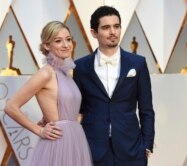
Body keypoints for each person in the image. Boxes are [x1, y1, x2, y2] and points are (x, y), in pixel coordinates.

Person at [73, 6, 155, 166]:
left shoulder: (137, 64)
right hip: (92, 148)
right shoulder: (81, 67)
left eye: (116, 26)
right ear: (94, 32)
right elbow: (78, 109)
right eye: (106, 27)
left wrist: (147, 145)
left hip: (131, 148)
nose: (113, 32)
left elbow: (146, 109)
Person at [4, 21, 92, 166]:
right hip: (57, 142)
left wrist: (47, 116)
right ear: (47, 45)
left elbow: (58, 103)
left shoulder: (66, 73)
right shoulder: (45, 73)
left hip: (75, 139)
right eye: (58, 41)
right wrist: (39, 130)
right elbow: (10, 106)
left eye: (68, 39)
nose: (66, 45)